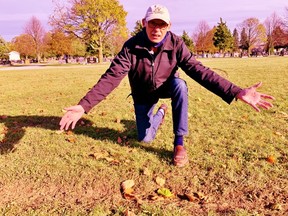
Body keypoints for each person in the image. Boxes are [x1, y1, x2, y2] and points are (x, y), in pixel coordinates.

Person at [59, 4, 274, 167]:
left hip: (167, 87)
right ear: (144, 22)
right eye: (153, 23)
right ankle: (161, 112)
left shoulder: (176, 44)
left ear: (168, 26)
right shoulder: (131, 47)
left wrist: (236, 91)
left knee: (180, 84)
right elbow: (111, 76)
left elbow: (199, 71)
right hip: (143, 93)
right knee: (145, 138)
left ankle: (179, 143)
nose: (157, 29)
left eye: (162, 24)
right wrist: (83, 106)